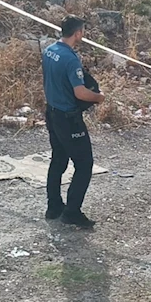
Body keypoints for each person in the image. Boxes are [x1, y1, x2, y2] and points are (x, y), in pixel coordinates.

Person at [42, 16, 105, 228]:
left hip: (52, 112)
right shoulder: (70, 59)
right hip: (68, 119)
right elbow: (80, 92)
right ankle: (72, 211)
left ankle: (53, 207)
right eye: (82, 31)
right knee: (84, 164)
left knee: (58, 159)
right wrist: (98, 97)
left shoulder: (49, 50)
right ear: (78, 33)